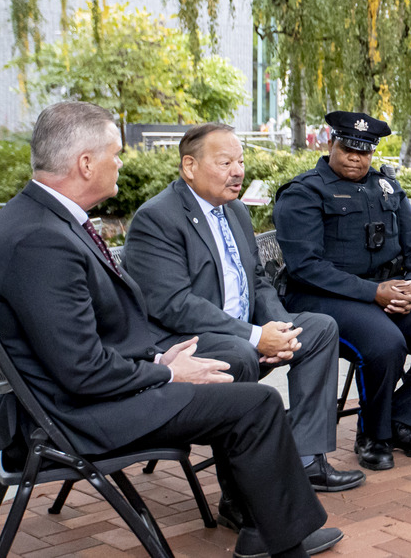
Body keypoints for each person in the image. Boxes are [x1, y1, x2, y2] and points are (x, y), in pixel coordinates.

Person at [0, 102, 341, 558]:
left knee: (248, 395)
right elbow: (83, 371)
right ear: (86, 164)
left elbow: (79, 345)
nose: (121, 162)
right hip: (72, 418)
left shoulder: (38, 220)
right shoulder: (40, 239)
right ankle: (279, 539)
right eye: (115, 152)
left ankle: (266, 530)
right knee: (257, 404)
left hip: (77, 396)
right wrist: (167, 372)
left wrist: (155, 360)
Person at [124, 123, 365, 523]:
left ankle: (307, 458)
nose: (238, 171)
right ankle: (237, 496)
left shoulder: (234, 210)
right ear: (189, 165)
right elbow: (173, 304)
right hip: (184, 342)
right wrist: (255, 337)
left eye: (240, 161)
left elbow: (255, 280)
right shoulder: (157, 218)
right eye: (225, 163)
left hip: (241, 329)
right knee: (237, 353)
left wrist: (280, 327)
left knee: (318, 328)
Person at [274, 111, 411, 472]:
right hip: (324, 298)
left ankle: (405, 422)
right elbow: (306, 267)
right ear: (332, 144)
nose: (355, 158)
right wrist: (373, 292)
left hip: (385, 292)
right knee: (384, 343)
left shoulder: (386, 188)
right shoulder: (304, 192)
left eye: (364, 152)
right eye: (348, 148)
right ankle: (372, 435)